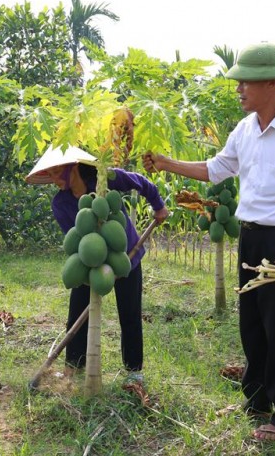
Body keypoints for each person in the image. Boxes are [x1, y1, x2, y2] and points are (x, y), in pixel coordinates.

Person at [143, 43, 275, 442]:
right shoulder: (244, 130)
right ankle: (257, 400)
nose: (239, 88)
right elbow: (215, 170)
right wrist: (166, 162)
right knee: (253, 327)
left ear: (273, 82)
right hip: (249, 240)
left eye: (245, 81)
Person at [26, 146, 169, 386]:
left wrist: (159, 206)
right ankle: (73, 367)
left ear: (71, 167)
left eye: (55, 173)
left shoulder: (107, 179)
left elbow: (142, 183)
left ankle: (134, 371)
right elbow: (76, 240)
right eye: (49, 175)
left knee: (130, 314)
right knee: (76, 314)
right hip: (90, 263)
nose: (53, 180)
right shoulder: (60, 203)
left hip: (125, 257)